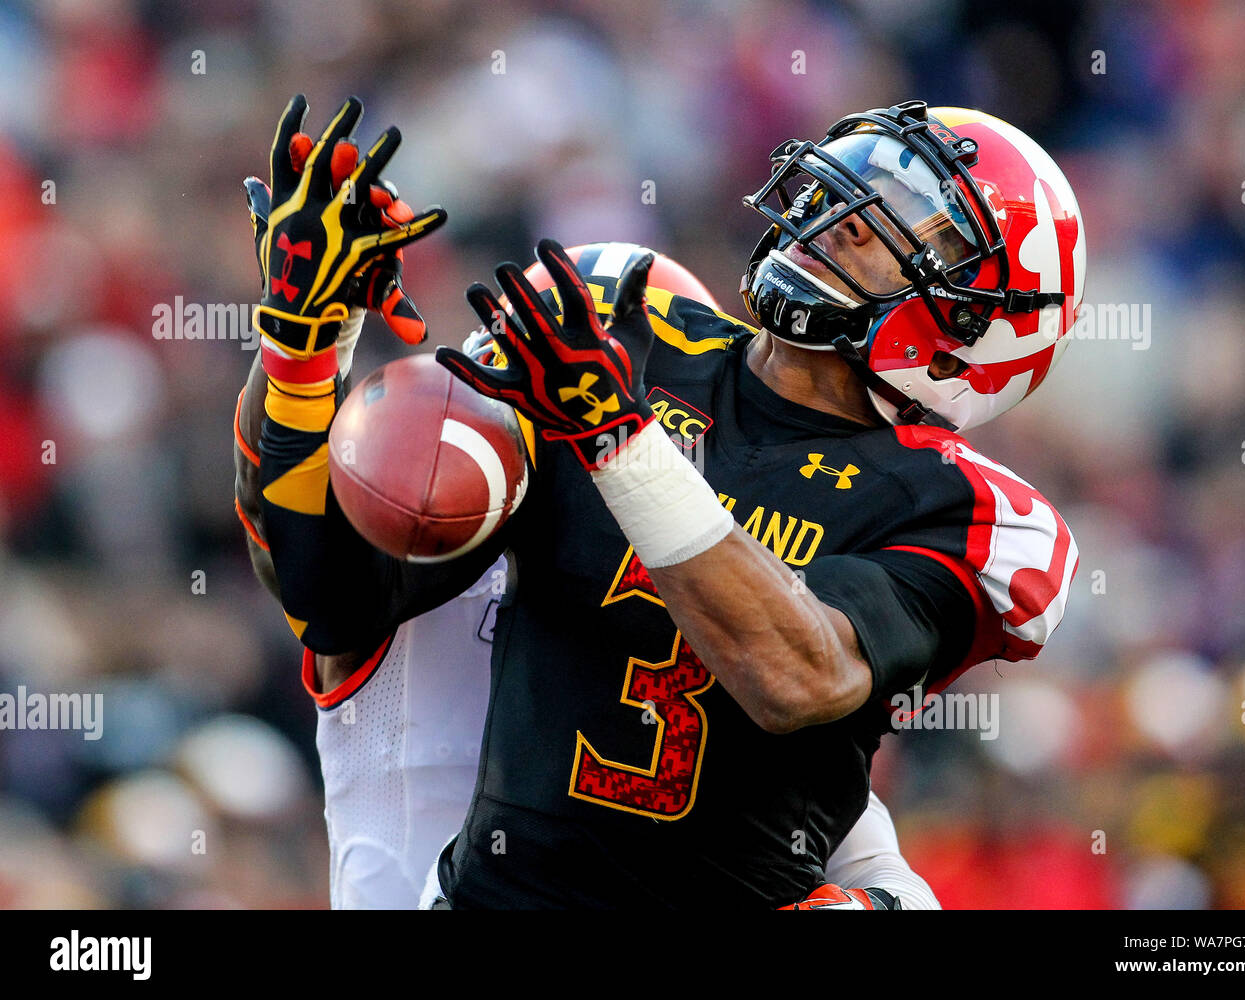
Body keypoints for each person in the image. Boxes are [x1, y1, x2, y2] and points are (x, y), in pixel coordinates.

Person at [243, 95, 1082, 908]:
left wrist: (621, 441)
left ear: (978, 322)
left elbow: (798, 675)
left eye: (914, 224)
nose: (850, 216)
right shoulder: (623, 331)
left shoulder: (967, 509)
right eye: (862, 185)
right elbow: (339, 604)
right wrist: (302, 347)